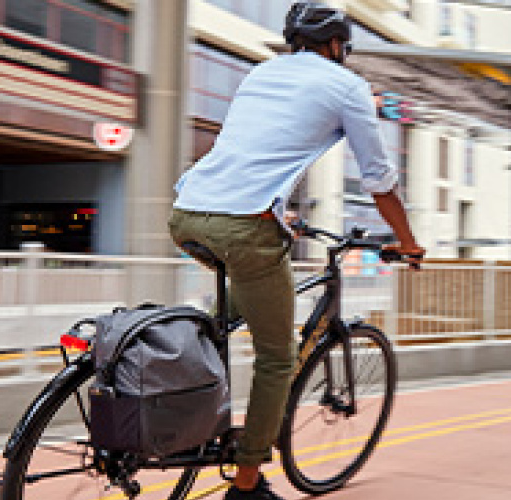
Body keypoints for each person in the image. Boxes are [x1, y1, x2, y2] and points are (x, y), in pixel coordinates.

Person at [168, 3, 423, 499]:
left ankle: (186, 368)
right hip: (244, 226)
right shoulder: (346, 85)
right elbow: (379, 178)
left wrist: (278, 209)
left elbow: (253, 150)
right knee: (278, 356)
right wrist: (408, 241)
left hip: (187, 210)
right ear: (336, 45)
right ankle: (245, 485)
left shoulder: (260, 73)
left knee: (229, 314)